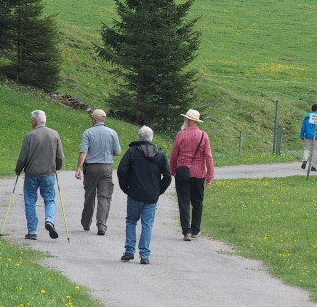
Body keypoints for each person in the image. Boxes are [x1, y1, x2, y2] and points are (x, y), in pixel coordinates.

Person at [116, 126, 172, 265]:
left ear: (139, 137)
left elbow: (122, 170)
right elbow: (167, 176)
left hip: (135, 193)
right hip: (151, 195)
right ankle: (145, 255)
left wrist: (125, 187)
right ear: (151, 138)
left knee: (131, 221)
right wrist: (158, 190)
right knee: (147, 224)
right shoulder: (160, 154)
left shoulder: (132, 152)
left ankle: (129, 250)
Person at [14, 109, 64, 240]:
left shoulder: (29, 136)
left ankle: (32, 231)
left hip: (32, 174)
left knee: (30, 201)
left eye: (32, 120)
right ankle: (49, 220)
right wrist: (56, 167)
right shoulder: (54, 134)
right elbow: (60, 156)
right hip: (48, 173)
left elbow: (22, 157)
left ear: (35, 121)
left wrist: (18, 169)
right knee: (49, 199)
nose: (31, 122)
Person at [74, 109, 122, 236]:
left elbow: (83, 152)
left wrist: (78, 168)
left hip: (91, 168)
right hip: (106, 168)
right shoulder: (112, 132)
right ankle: (101, 225)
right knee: (104, 197)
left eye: (92, 118)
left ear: (95, 119)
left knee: (89, 196)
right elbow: (117, 152)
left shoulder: (88, 132)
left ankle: (86, 223)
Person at [169, 109, 214, 241]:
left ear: (188, 120)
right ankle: (195, 229)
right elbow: (208, 156)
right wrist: (209, 175)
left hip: (182, 172)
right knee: (197, 201)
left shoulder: (180, 135)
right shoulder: (203, 135)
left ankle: (186, 231)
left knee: (183, 202)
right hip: (199, 173)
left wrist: (173, 170)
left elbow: (174, 154)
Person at [299, 103, 317, 170]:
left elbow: (303, 127)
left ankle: (305, 160)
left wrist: (302, 135)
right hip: (316, 136)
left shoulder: (306, 116)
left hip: (307, 135)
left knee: (307, 149)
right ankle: (313, 166)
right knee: (315, 151)